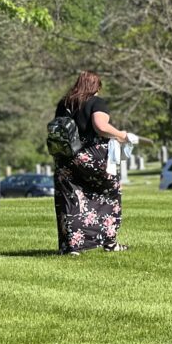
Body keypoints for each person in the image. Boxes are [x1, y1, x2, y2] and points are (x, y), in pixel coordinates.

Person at [52, 71, 131, 254]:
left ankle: (72, 246)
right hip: (91, 156)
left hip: (65, 158)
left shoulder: (64, 103)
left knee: (71, 199)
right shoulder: (97, 102)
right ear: (96, 87)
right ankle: (109, 242)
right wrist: (121, 135)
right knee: (110, 194)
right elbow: (100, 127)